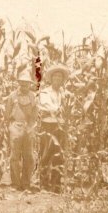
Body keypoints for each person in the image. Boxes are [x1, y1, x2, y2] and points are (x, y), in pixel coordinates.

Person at [37, 63, 70, 193]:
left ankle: (56, 184)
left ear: (62, 80)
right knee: (46, 153)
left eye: (60, 77)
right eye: (55, 77)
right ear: (51, 79)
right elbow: (46, 106)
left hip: (61, 126)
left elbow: (68, 108)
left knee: (59, 155)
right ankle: (44, 184)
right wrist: (59, 109)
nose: (57, 79)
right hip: (48, 125)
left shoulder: (64, 93)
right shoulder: (45, 92)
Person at [5, 70, 37, 191]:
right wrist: (10, 127)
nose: (24, 86)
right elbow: (7, 113)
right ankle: (15, 183)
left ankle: (26, 183)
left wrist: (31, 126)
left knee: (28, 156)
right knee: (15, 156)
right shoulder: (12, 96)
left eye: (26, 83)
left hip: (28, 127)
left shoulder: (32, 96)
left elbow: (34, 112)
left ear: (30, 84)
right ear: (19, 83)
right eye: (22, 83)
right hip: (15, 126)